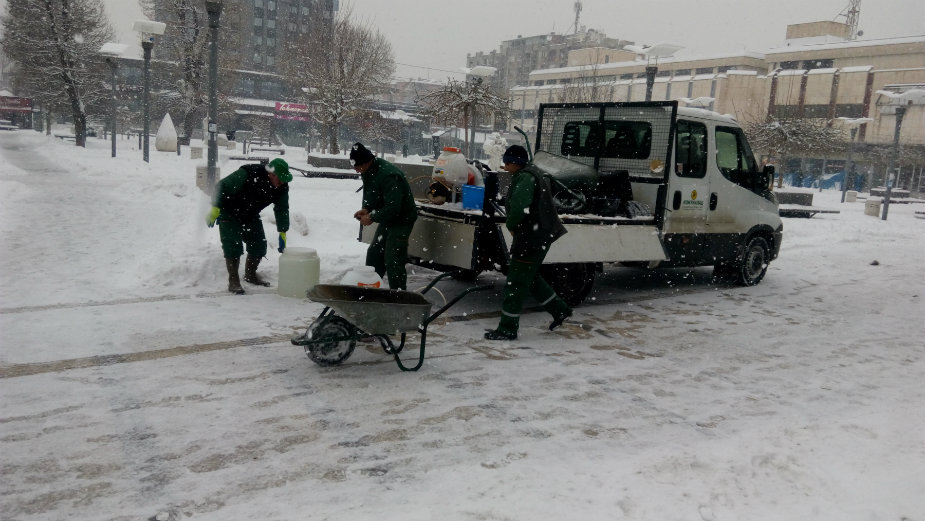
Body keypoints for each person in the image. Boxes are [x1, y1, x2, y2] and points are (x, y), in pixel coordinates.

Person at [484, 145, 572, 341]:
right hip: (538, 236)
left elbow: (519, 208)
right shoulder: (531, 174)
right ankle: (560, 310)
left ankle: (507, 329)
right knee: (530, 279)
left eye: (507, 162)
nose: (505, 166)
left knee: (515, 283)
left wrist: (511, 223)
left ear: (516, 162)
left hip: (532, 238)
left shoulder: (525, 177)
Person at [206, 157, 291, 294]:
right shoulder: (250, 173)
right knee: (233, 246)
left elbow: (282, 209)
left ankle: (250, 274)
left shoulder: (281, 187)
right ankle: (233, 281)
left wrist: (282, 231)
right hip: (230, 211)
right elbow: (221, 186)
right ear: (271, 174)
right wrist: (216, 207)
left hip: (250, 214)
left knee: (258, 244)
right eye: (280, 180)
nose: (282, 183)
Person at [350, 142, 418, 290]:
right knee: (374, 253)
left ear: (367, 162)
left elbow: (394, 207)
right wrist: (366, 209)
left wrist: (372, 217)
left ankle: (398, 296)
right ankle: (371, 288)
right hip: (388, 218)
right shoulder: (367, 172)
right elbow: (372, 194)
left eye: (358, 167)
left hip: (402, 219)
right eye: (354, 168)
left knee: (393, 257)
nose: (357, 171)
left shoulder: (388, 175)